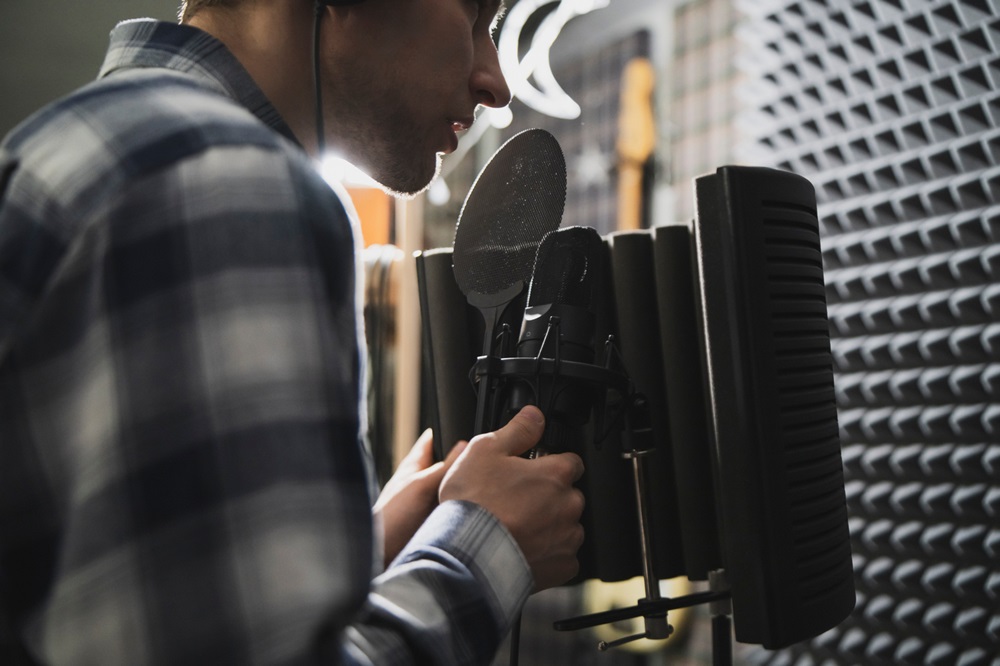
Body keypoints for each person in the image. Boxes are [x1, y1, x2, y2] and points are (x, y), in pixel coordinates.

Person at [0, 0, 586, 663]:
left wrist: (363, 553)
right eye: (474, 14)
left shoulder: (82, 150)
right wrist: (486, 549)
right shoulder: (220, 178)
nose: (495, 82)